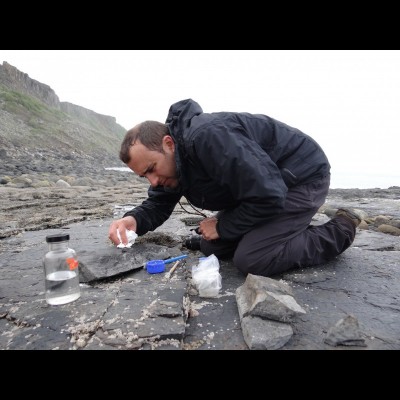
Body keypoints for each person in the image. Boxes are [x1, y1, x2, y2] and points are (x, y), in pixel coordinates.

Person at [108, 98, 361, 277]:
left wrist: (223, 226)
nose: (153, 180)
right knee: (210, 247)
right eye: (145, 176)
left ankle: (341, 228)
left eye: (151, 168)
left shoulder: (208, 137)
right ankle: (284, 228)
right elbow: (159, 202)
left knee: (252, 259)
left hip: (300, 177)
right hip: (259, 190)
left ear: (168, 144)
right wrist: (134, 220)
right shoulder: (174, 163)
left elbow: (269, 194)